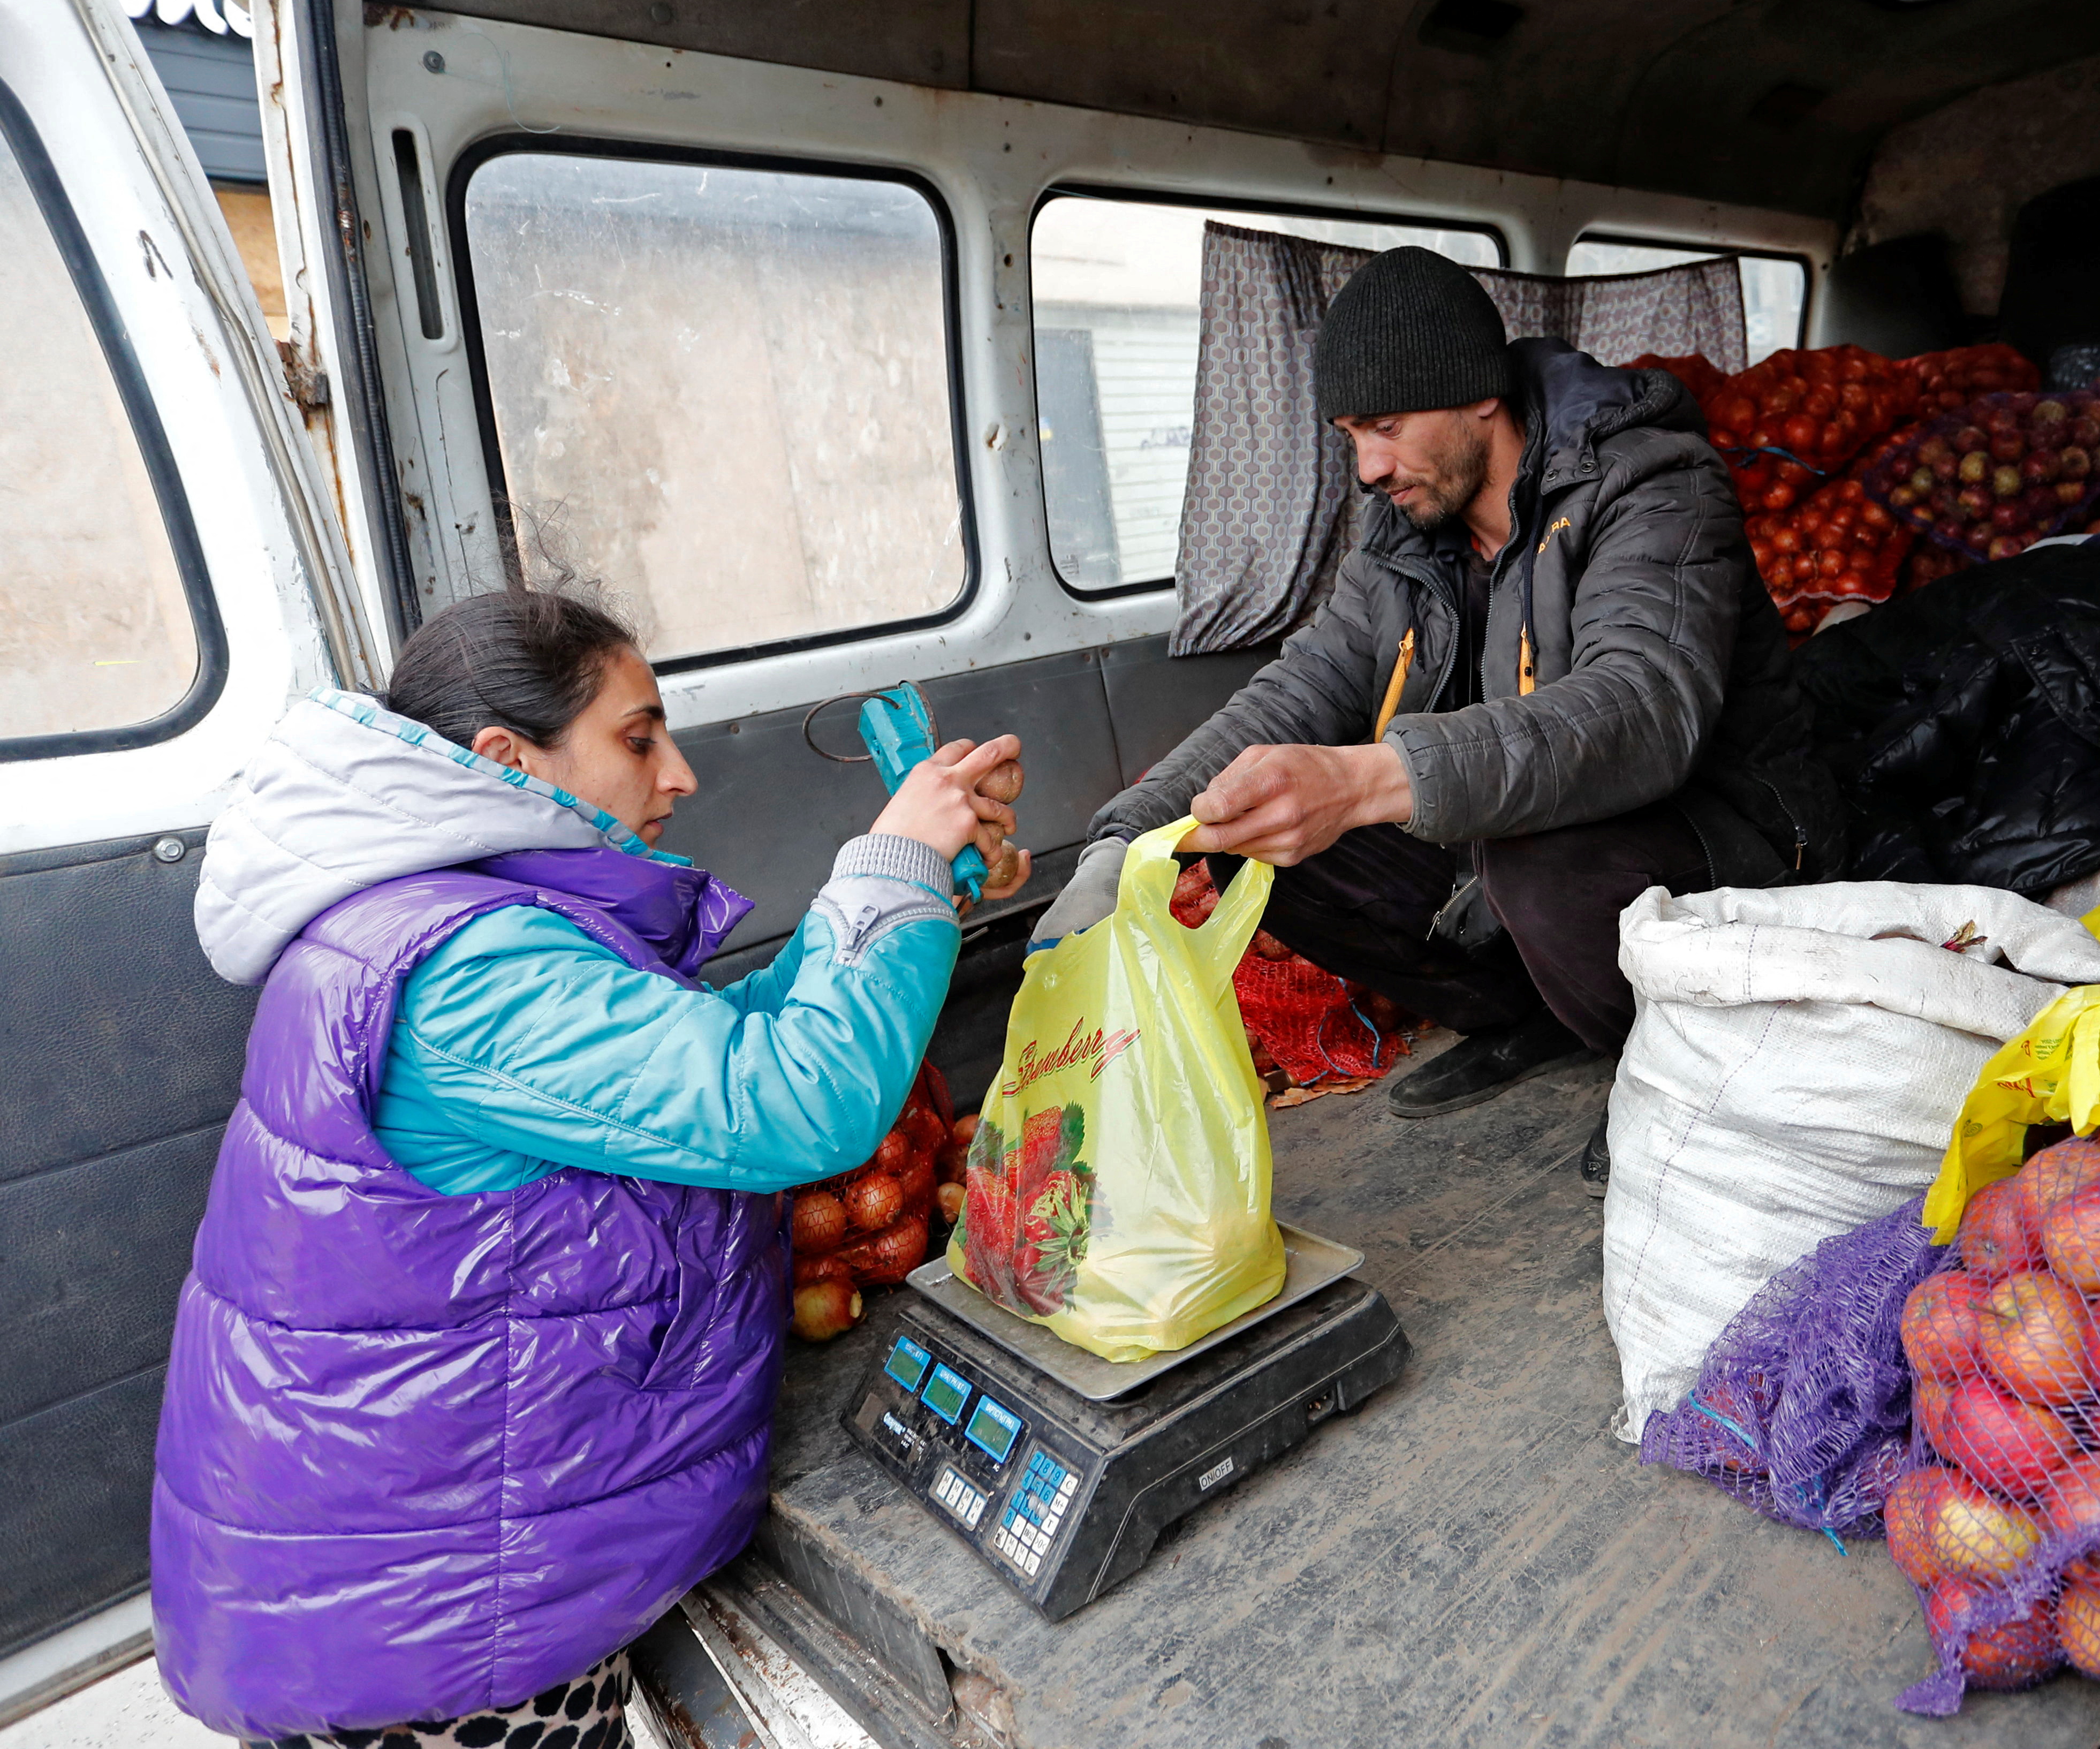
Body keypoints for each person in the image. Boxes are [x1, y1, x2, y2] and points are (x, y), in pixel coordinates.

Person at [150, 591, 1022, 1748]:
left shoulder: (422, 917)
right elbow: (785, 1100)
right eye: (637, 737)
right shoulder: (467, 966)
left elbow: (711, 1060)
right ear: (508, 758)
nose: (680, 776)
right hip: (431, 1620)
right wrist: (898, 855)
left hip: (407, 1551)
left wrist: (905, 890)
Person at [1036, 247, 1832, 1182]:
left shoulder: (1649, 483)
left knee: (1526, 853)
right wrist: (1121, 840)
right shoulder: (1406, 535)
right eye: (1349, 436)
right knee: (1250, 829)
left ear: (1476, 396)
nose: (1369, 467)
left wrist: (1370, 778)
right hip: (1524, 836)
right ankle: (1541, 1015)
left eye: (1386, 425)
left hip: (1737, 839)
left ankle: (1678, 1070)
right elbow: (1297, 691)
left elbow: (1643, 708)